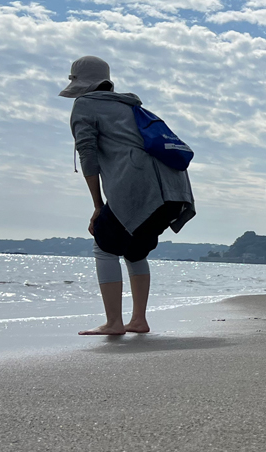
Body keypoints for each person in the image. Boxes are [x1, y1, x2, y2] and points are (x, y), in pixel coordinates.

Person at [63, 56, 195, 335]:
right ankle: (138, 320)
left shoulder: (85, 104)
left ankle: (113, 322)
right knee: (135, 250)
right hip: (176, 189)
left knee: (104, 243)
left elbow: (88, 156)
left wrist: (98, 206)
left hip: (141, 186)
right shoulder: (130, 106)